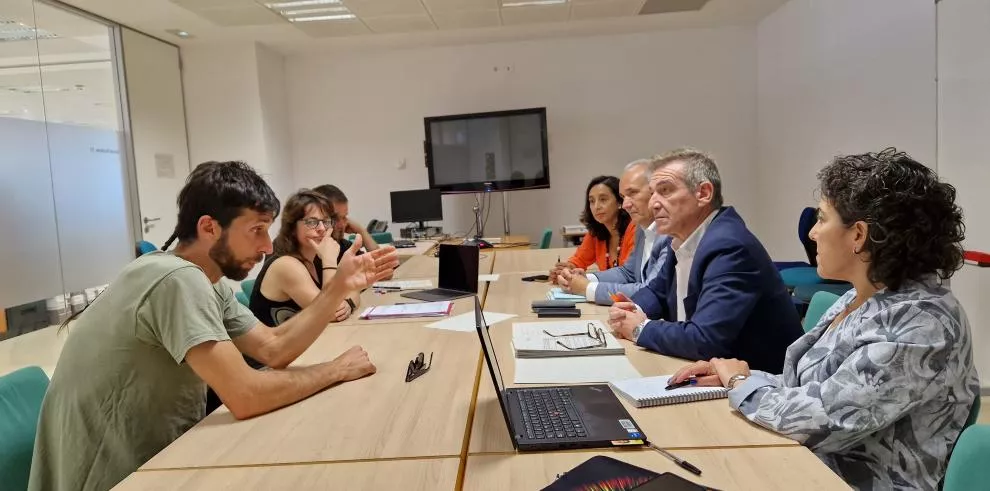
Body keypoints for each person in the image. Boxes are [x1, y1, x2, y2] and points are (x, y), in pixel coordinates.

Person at [29, 161, 399, 491]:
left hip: (164, 460)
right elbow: (246, 395)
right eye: (256, 230)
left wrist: (336, 290)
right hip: (122, 478)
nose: (268, 246)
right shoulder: (176, 280)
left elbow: (272, 347)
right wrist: (335, 369)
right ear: (208, 227)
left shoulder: (206, 279)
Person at [668, 148, 980, 490]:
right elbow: (815, 389)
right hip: (808, 468)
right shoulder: (862, 295)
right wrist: (742, 374)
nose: (813, 233)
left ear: (859, 235)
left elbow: (823, 418)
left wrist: (739, 385)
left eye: (822, 219)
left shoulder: (921, 322)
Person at [608, 149, 802, 373]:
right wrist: (631, 309)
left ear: (704, 193)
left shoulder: (730, 246)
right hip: (699, 372)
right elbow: (657, 292)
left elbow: (705, 340)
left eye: (665, 191)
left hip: (755, 387)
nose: (654, 204)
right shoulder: (684, 237)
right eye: (652, 193)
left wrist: (640, 328)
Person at [556, 159, 671, 305]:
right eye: (623, 197)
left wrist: (587, 288)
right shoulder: (642, 229)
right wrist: (585, 277)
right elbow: (628, 273)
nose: (626, 205)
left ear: (656, 192)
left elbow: (649, 291)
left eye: (633, 193)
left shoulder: (669, 234)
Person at [250, 190, 360, 327]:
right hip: (277, 347)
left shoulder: (315, 258)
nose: (321, 228)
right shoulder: (285, 265)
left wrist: (348, 303)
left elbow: (352, 289)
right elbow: (330, 313)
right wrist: (329, 261)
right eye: (312, 222)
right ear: (292, 227)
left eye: (326, 221)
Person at [550, 175, 636, 281]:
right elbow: (578, 260)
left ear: (619, 202)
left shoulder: (634, 230)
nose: (596, 206)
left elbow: (630, 276)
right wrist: (566, 271)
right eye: (592, 201)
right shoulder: (595, 234)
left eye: (603, 199)